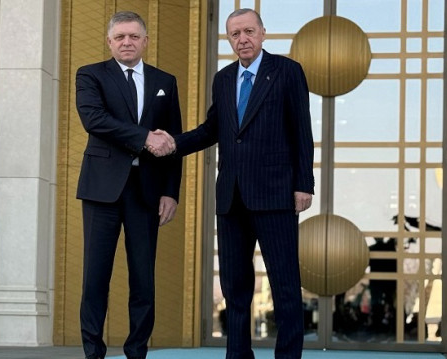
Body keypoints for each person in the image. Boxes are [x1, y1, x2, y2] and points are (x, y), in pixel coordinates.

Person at [153, 8, 314, 359]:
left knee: (285, 285)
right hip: (230, 199)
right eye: (235, 34)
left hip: (275, 195)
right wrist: (174, 143)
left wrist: (305, 184)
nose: (243, 39)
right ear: (229, 39)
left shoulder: (287, 72)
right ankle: (238, 356)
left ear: (263, 33)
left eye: (249, 32)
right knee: (235, 288)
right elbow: (213, 129)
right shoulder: (223, 79)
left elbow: (302, 131)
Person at [75, 11, 181, 359]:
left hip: (147, 191)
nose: (127, 42)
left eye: (134, 36)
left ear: (145, 41)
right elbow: (95, 120)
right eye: (120, 37)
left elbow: (172, 141)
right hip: (102, 190)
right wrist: (144, 137)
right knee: (95, 278)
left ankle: (137, 351)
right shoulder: (90, 74)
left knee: (143, 281)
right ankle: (93, 352)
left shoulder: (166, 80)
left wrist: (171, 191)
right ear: (109, 42)